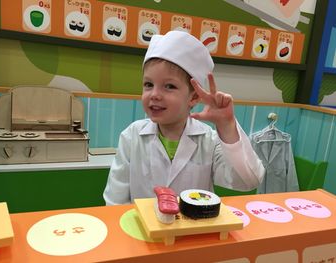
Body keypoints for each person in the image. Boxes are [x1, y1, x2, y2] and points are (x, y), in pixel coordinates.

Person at [103, 31, 265, 205]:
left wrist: (227, 126)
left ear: (194, 98)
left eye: (169, 86)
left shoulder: (209, 140)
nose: (155, 94)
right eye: (148, 84)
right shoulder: (131, 136)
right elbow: (115, 198)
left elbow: (249, 180)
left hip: (193, 229)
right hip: (141, 230)